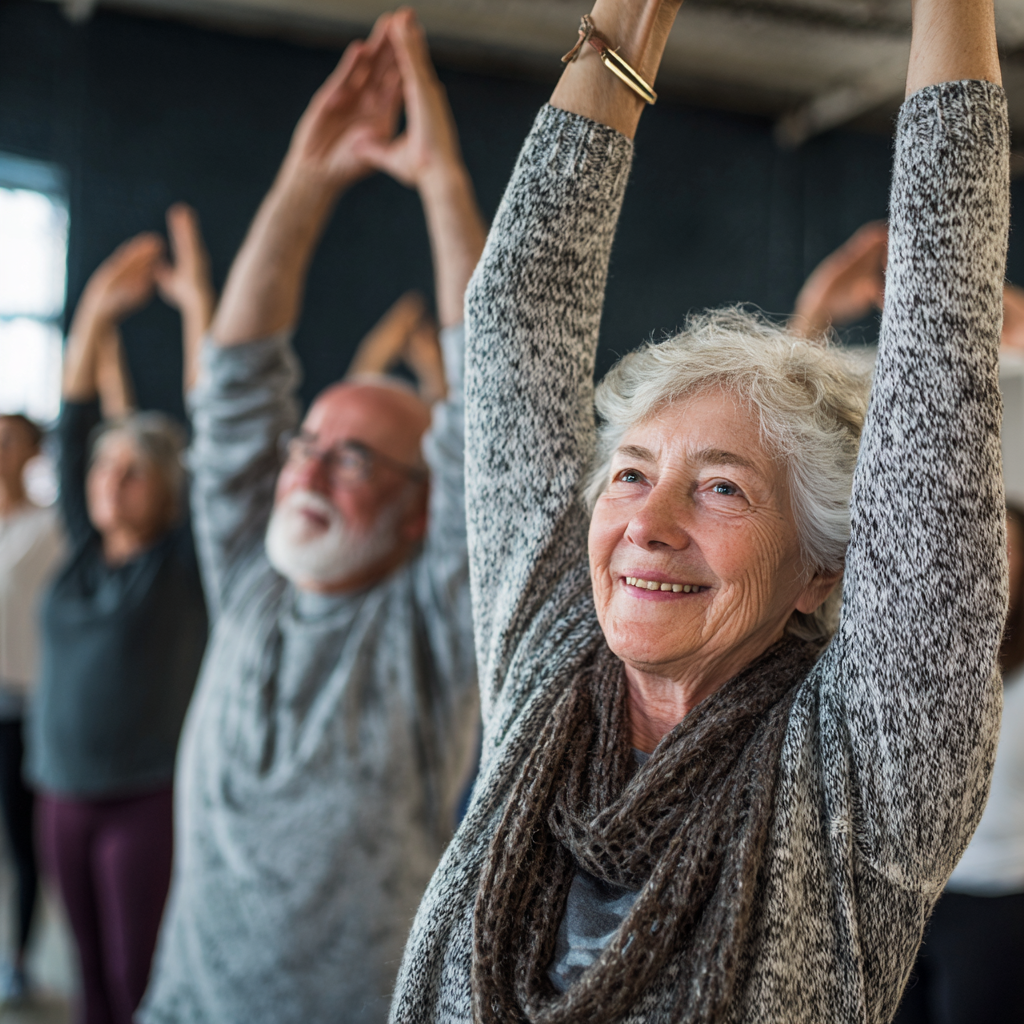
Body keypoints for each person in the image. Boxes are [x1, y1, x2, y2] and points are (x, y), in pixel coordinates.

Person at [388, 0, 1010, 1020]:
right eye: (629, 472)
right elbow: (516, 314)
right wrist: (622, 29)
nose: (649, 520)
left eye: (720, 486)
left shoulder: (865, 759)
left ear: (822, 565)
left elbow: (940, 338)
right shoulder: (552, 656)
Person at [140, 11, 484, 1024]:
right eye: (307, 444)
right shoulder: (251, 570)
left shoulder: (430, 628)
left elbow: (490, 412)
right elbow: (242, 379)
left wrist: (440, 181)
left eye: (353, 457)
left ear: (423, 511)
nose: (308, 469)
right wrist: (306, 175)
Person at [27, 212, 210, 1024]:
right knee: (86, 978)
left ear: (167, 489)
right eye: (107, 466)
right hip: (60, 787)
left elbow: (220, 430)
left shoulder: (177, 564)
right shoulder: (77, 548)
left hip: (145, 795)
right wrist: (95, 309)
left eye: (135, 470)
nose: (112, 481)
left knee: (139, 978)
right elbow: (70, 433)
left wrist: (199, 305)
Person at [890, 501, 1024, 1023]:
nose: (988, 559)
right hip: (910, 895)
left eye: (1005, 548)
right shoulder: (922, 658)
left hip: (997, 899)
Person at [0, 413, 64, 1001]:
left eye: (8, 437)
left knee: (23, 843)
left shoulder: (49, 527)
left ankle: (17, 960)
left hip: (21, 703)